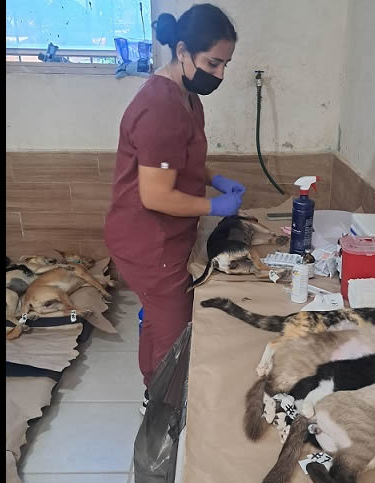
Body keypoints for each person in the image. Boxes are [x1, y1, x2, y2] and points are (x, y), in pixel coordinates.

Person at [104, 4, 244, 413]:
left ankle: (154, 391)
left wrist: (214, 178)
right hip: (149, 241)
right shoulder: (160, 107)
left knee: (157, 317)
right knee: (173, 329)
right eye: (213, 63)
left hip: (164, 234)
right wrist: (214, 204)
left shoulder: (187, 97)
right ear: (182, 51)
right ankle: (164, 410)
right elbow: (156, 195)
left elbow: (181, 161)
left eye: (226, 64)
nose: (220, 74)